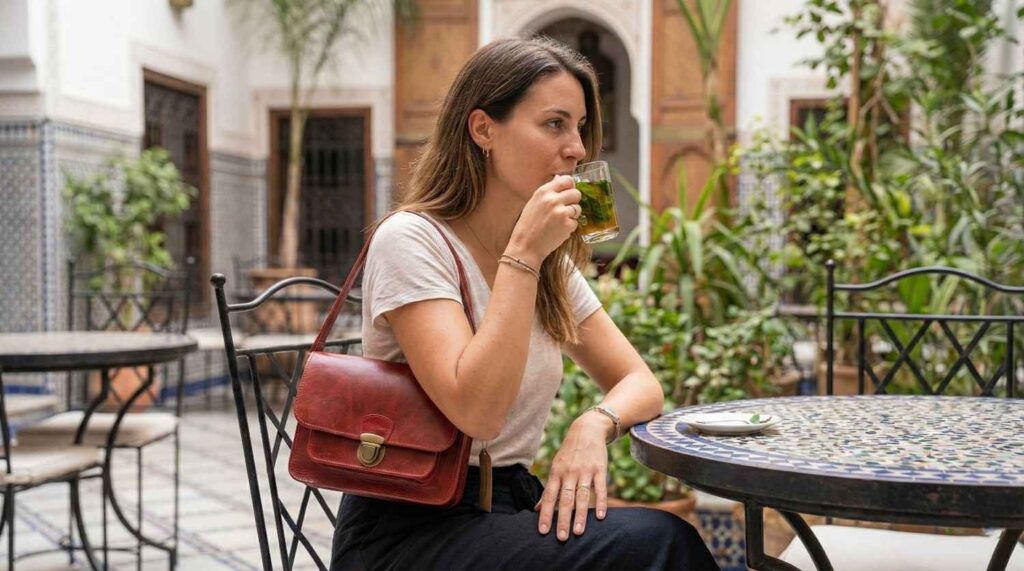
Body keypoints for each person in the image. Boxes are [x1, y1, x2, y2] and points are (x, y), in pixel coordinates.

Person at [331, 37, 719, 571]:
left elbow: (642, 384)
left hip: (507, 508)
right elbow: (478, 413)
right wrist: (522, 258)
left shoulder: (549, 263)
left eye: (580, 127)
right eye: (554, 124)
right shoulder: (412, 240)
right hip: (409, 527)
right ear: (483, 129)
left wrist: (592, 426)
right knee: (661, 543)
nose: (577, 148)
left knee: (658, 538)